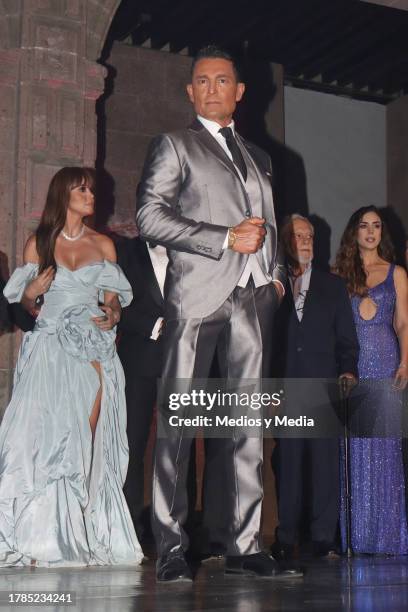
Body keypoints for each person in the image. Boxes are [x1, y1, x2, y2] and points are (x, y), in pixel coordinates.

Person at [136, 44, 300, 582]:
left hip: (253, 300)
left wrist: (275, 278)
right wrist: (222, 237)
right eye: (201, 81)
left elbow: (270, 221)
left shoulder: (262, 156)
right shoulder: (175, 146)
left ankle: (246, 542)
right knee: (180, 427)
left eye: (221, 80)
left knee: (247, 426)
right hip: (197, 296)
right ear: (190, 91)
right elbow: (148, 217)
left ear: (239, 90)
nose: (211, 88)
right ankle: (171, 545)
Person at [0, 167, 143, 567]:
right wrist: (31, 291)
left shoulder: (105, 246)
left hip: (91, 349)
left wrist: (113, 315)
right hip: (47, 347)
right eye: (82, 189)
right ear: (63, 195)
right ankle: (37, 534)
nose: (90, 195)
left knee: (82, 436)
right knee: (40, 439)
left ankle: (76, 529)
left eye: (92, 189)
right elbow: (23, 307)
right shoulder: (39, 243)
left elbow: (112, 301)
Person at [271, 215, 359, 560]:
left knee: (325, 463)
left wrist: (348, 370)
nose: (306, 241)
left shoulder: (332, 285)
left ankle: (325, 537)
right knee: (289, 463)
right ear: (284, 243)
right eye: (298, 236)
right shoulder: (270, 286)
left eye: (310, 236)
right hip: (286, 386)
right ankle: (286, 534)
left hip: (323, 385)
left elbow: (347, 340)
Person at [335, 205, 408, 554]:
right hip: (354, 366)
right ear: (355, 231)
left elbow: (403, 323)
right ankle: (357, 537)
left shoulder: (396, 274)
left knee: (386, 449)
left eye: (377, 226)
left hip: (386, 362)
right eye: (364, 225)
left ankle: (388, 537)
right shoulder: (341, 274)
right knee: (355, 449)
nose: (371, 231)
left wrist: (406, 361)